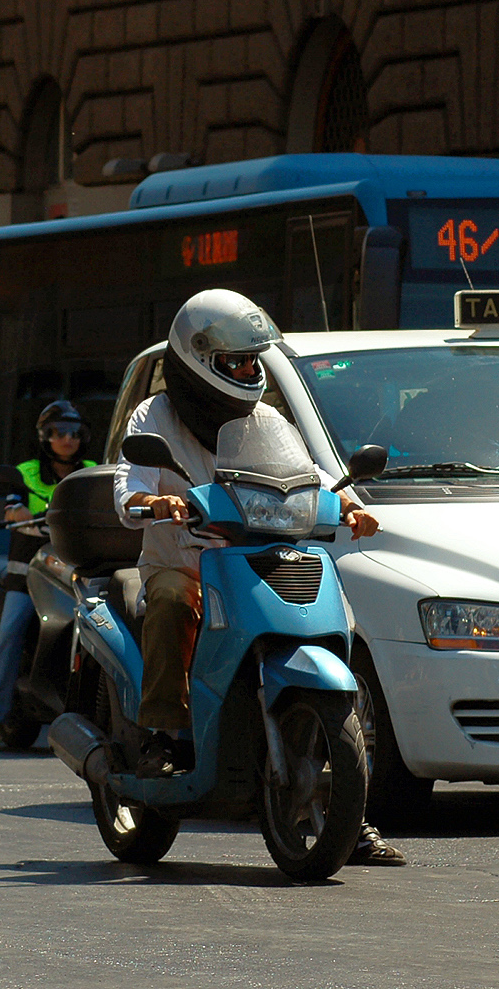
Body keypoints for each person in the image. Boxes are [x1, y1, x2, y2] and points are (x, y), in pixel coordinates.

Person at [111, 288, 406, 866]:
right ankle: (163, 737)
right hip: (184, 564)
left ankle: (348, 808)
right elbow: (128, 482)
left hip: (256, 563)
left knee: (336, 621)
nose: (249, 372)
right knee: (170, 599)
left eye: (253, 361)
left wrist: (347, 506)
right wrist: (152, 501)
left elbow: (312, 475)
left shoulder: (265, 419)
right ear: (198, 360)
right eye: (236, 363)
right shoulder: (156, 416)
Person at [0, 401, 97, 750]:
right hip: (27, 575)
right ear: (45, 438)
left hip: (77, 572)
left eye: (73, 433)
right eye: (57, 433)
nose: (66, 439)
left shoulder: (93, 472)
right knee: (9, 632)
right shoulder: (23, 472)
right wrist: (21, 514)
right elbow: (10, 511)